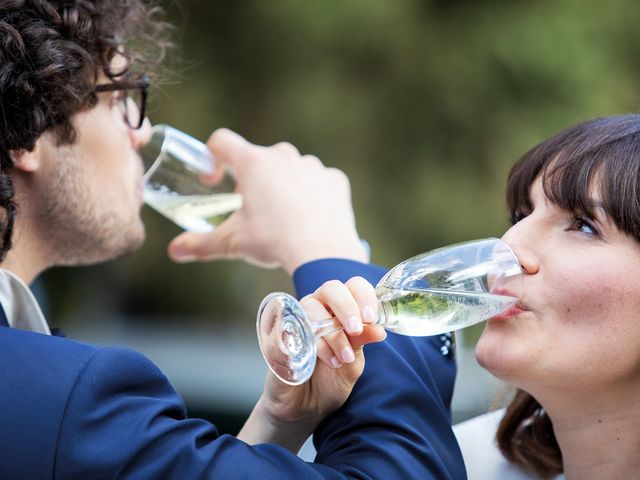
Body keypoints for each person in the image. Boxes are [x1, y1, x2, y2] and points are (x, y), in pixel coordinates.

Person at [0, 1, 465, 478]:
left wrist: (277, 422)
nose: (140, 134)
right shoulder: (69, 398)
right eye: (121, 98)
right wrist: (331, 253)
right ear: (29, 128)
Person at [447, 114, 640, 479]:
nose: (507, 246)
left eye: (584, 225)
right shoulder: (458, 463)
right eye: (521, 215)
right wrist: (304, 420)